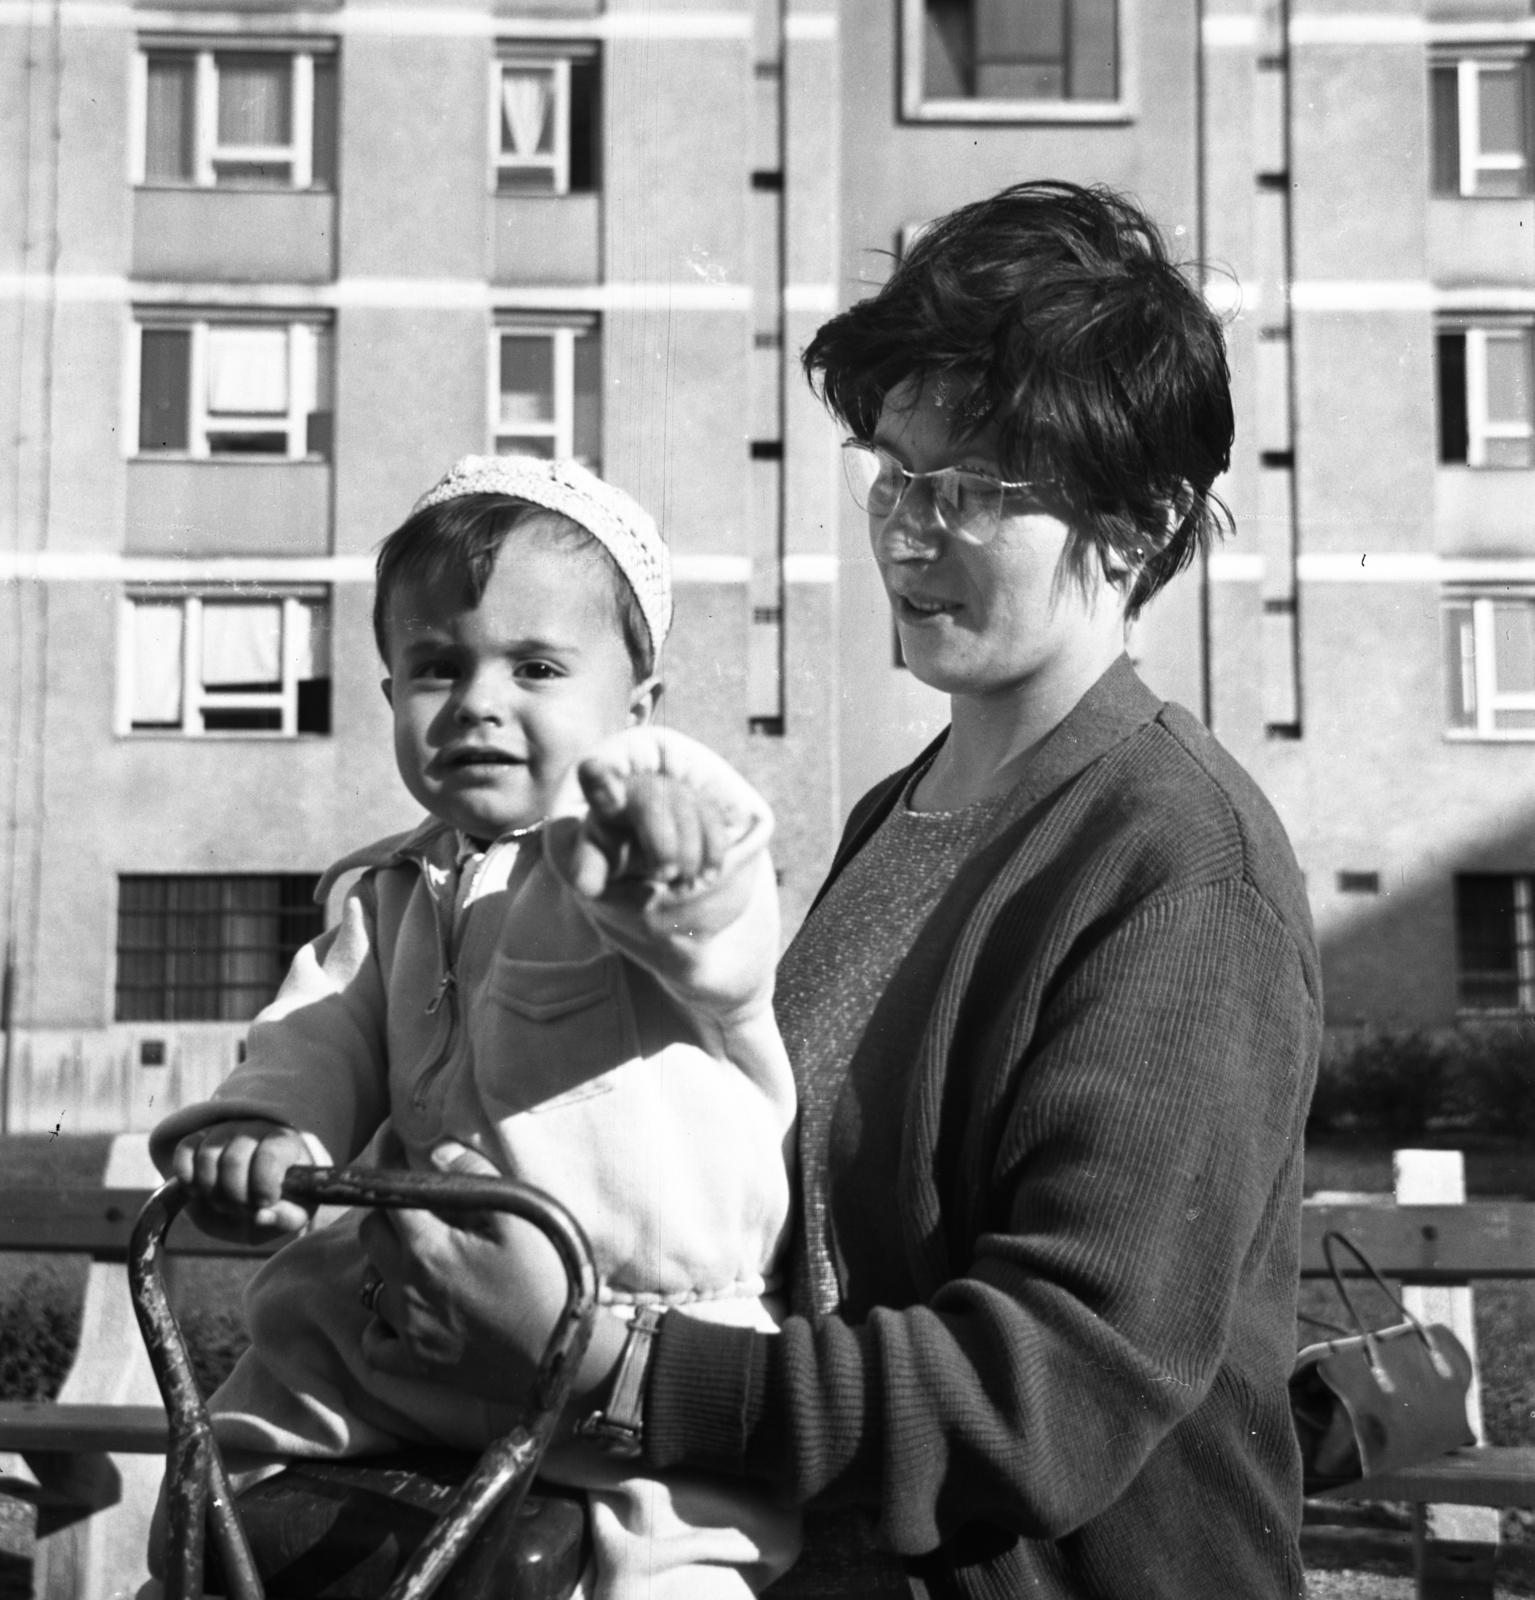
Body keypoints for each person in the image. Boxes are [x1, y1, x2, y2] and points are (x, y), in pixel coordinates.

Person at [320, 181, 1324, 1600]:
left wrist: (601, 1362)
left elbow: (1044, 1401)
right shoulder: (900, 809)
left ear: (1138, 518)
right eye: (890, 474)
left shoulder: (1176, 865)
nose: (905, 536)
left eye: (969, 492)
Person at [147, 455, 801, 1600]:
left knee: (671, 1577)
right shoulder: (393, 889)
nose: (478, 701)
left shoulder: (626, 873)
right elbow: (320, 1031)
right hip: (408, 1335)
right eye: (435, 666)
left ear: (634, 713)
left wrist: (671, 836)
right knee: (237, 1478)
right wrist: (269, 1126)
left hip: (630, 1352)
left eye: (537, 666)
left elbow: (724, 940)